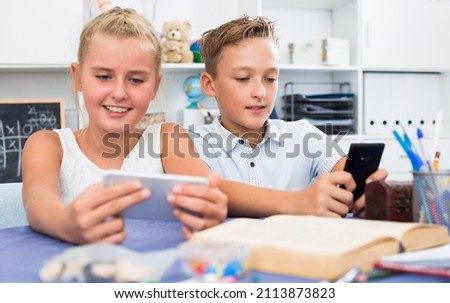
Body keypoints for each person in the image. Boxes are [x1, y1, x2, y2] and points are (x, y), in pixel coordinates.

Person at [21, 7, 227, 245]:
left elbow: (203, 193)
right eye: (104, 76)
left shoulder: (168, 138)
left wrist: (210, 205)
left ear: (155, 86)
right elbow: (38, 202)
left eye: (136, 80)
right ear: (78, 77)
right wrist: (66, 222)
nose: (119, 93)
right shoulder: (47, 144)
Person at [187, 16, 388, 218]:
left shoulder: (303, 135)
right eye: (243, 78)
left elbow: (347, 175)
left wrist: (365, 190)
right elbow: (206, 191)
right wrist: (298, 202)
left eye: (270, 79)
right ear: (209, 85)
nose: (261, 92)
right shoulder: (189, 144)